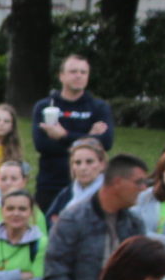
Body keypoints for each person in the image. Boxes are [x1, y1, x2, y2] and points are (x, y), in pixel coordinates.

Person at [46, 154, 152, 280]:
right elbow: (55, 271)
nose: (143, 188)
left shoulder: (134, 224)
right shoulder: (72, 220)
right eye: (138, 182)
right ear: (118, 182)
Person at [30, 54, 116, 214]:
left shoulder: (99, 107)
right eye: (73, 71)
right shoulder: (45, 107)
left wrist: (63, 136)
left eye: (83, 72)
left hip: (90, 184)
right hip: (51, 183)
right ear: (61, 76)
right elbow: (43, 145)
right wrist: (88, 137)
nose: (79, 76)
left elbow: (106, 142)